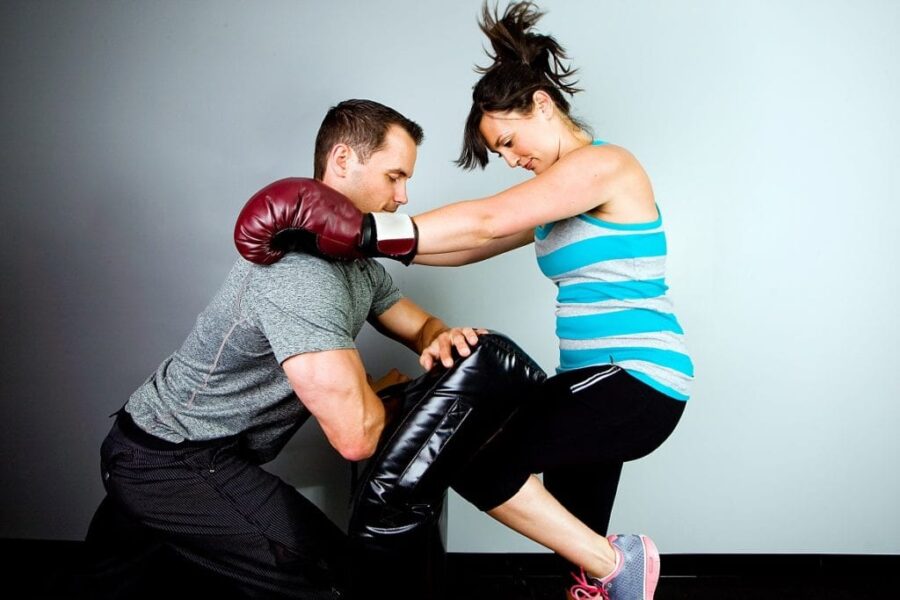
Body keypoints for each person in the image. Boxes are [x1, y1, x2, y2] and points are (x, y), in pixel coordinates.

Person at [239, 3, 694, 599]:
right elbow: (466, 248)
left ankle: (619, 565)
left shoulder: (604, 166)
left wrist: (361, 228)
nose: (509, 160)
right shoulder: (555, 197)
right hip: (589, 379)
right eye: (498, 152)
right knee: (580, 548)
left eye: (507, 141)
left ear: (542, 105)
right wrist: (355, 246)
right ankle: (607, 574)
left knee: (477, 453)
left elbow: (482, 220)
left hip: (635, 378)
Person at [84, 99, 486, 599]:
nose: (403, 196)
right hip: (169, 459)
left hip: (181, 447)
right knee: (325, 575)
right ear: (342, 161)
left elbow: (420, 324)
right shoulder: (300, 273)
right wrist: (393, 399)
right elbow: (356, 437)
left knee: (114, 583)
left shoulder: (359, 266)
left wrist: (439, 337)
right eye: (394, 176)